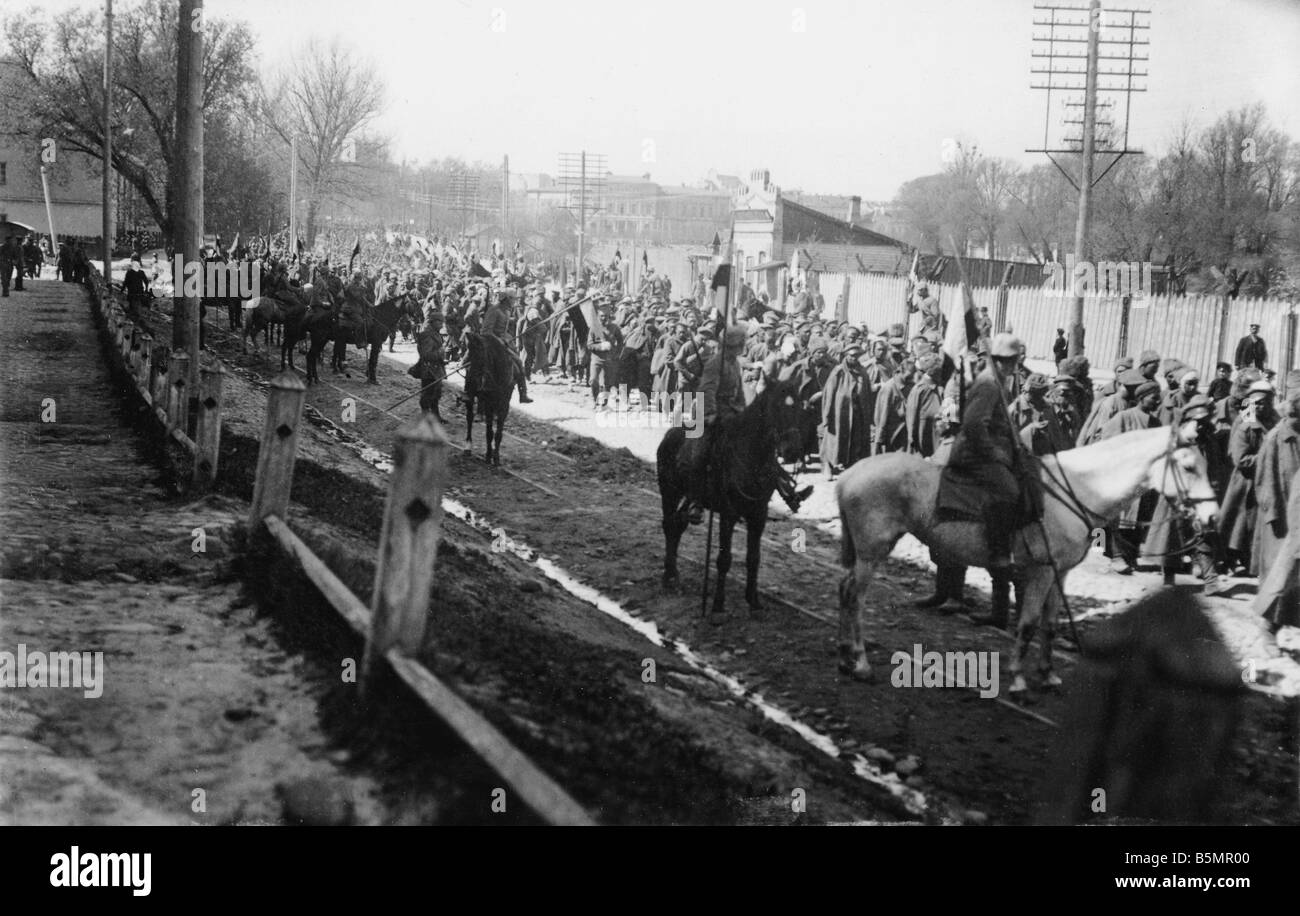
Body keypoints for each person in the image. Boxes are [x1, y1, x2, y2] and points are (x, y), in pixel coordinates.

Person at [942, 333, 1025, 570]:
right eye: (1004, 360)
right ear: (994, 359)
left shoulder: (999, 381)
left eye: (1012, 360)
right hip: (973, 452)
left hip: (989, 447)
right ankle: (999, 551)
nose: (1009, 365)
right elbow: (974, 424)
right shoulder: (989, 383)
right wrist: (994, 453)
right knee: (1009, 490)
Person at [1218, 381, 1278, 573]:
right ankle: (1230, 559)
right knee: (1239, 522)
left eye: (1265, 402)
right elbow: (1241, 459)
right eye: (1257, 403)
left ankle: (1249, 560)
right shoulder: (1246, 426)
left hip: (1267, 481)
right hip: (1246, 482)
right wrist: (1267, 457)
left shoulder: (1275, 422)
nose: (1261, 406)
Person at [1251, 389, 1298, 611]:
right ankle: (1269, 624)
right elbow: (1265, 479)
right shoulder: (1276, 437)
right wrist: (1273, 513)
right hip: (1279, 516)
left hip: (1296, 514)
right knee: (1276, 571)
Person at [819, 342, 874, 478]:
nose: (854, 358)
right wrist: (826, 416)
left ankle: (848, 465)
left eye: (857, 356)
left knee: (853, 440)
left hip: (856, 411)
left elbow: (867, 393)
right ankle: (828, 466)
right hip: (839, 412)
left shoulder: (863, 372)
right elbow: (828, 393)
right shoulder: (838, 371)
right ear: (846, 355)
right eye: (851, 356)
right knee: (833, 439)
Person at [905, 353, 944, 458]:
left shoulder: (936, 386)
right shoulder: (920, 389)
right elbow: (911, 414)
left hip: (935, 429)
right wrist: (911, 436)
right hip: (924, 431)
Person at [414, 313, 447, 421]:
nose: (442, 325)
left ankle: (436, 416)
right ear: (433, 322)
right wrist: (440, 353)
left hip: (436, 368)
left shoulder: (435, 333)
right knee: (427, 394)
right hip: (428, 369)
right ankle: (425, 417)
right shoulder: (427, 335)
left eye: (442, 322)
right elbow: (426, 355)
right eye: (439, 322)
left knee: (436, 394)